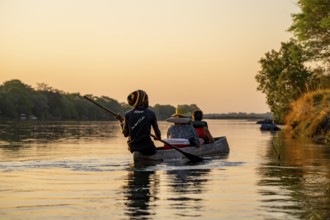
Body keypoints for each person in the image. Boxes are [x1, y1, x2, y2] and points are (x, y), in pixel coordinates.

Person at [121, 90, 161, 155]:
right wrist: (158, 138)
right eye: (147, 99)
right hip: (147, 148)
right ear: (142, 101)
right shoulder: (151, 113)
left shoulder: (127, 114)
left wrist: (121, 123)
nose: (148, 101)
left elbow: (125, 134)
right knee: (154, 150)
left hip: (133, 147)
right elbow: (158, 133)